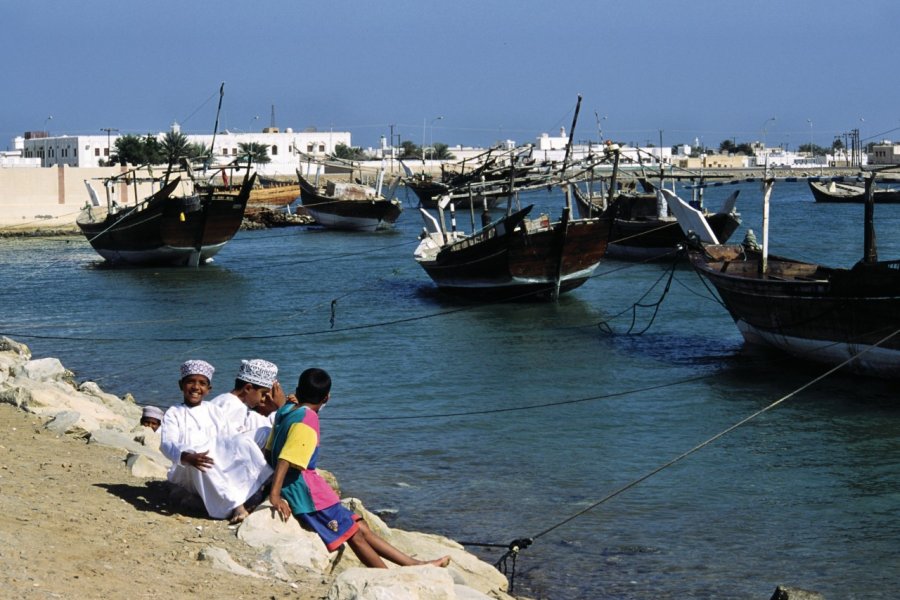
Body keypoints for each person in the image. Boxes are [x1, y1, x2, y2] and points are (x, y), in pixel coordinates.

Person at [266, 367, 450, 569]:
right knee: (354, 535)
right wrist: (275, 495)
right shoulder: (308, 420)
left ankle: (414, 564)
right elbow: (286, 458)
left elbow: (274, 447)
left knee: (360, 525)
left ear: (298, 391)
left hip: (306, 486)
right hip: (305, 493)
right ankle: (388, 576)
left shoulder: (286, 410)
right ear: (326, 398)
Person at [160, 359, 273, 524]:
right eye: (190, 382)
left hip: (214, 463)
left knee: (241, 442)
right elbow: (167, 443)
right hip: (189, 468)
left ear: (208, 389)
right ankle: (237, 506)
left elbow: (229, 437)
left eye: (202, 383)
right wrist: (187, 457)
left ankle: (262, 481)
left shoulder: (213, 410)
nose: (196, 387)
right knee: (205, 458)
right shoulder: (173, 413)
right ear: (181, 385)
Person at [210, 358, 284, 447]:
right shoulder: (236, 406)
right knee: (266, 432)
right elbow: (229, 439)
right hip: (221, 449)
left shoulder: (224, 398)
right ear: (248, 388)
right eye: (263, 394)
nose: (263, 399)